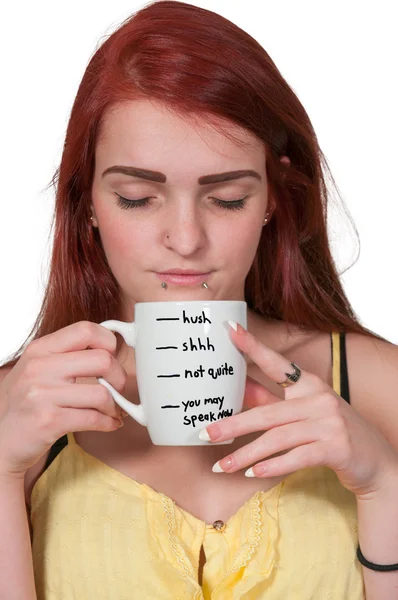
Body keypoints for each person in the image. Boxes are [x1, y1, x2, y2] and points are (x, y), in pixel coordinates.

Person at [0, 1, 397, 598]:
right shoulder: (21, 407)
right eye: (137, 197)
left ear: (272, 199)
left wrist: (383, 483)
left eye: (227, 198)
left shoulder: (377, 386)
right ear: (86, 202)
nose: (185, 240)